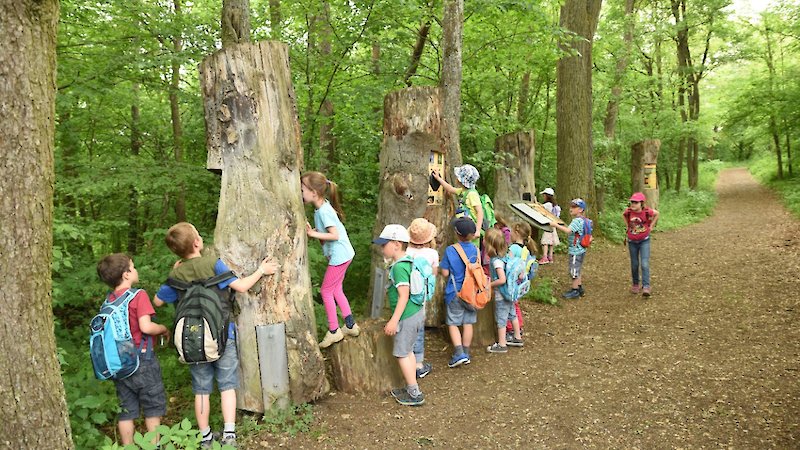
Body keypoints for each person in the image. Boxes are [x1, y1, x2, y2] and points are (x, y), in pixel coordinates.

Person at [153, 222, 278, 448]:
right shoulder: (213, 263)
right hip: (222, 335)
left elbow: (158, 301)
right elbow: (241, 286)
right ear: (197, 242)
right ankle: (229, 435)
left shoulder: (177, 273)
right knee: (227, 385)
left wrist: (174, 273)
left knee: (201, 389)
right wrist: (261, 270)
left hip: (192, 341)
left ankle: (205, 437)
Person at [97, 254, 170, 447]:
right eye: (133, 266)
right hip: (142, 360)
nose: (136, 270)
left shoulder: (108, 301)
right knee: (153, 408)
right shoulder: (138, 295)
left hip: (119, 363)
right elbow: (146, 327)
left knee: (126, 410)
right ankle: (154, 446)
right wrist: (162, 328)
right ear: (126, 274)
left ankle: (128, 446)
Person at [300, 171, 360, 348]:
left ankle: (334, 331)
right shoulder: (321, 208)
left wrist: (312, 234)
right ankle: (350, 325)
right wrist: (314, 232)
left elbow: (334, 235)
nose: (300, 193)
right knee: (336, 289)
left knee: (326, 291)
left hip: (340, 255)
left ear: (314, 192)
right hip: (343, 254)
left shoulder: (324, 211)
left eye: (302, 189)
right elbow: (327, 233)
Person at [374, 224, 426, 406]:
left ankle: (414, 393)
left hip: (407, 316)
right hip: (416, 312)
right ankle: (411, 386)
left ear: (396, 244)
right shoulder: (408, 262)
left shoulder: (398, 268)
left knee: (402, 354)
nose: (382, 248)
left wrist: (393, 321)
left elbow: (404, 295)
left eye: (384, 244)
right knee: (408, 351)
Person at [439, 217, 480, 367]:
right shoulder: (476, 250)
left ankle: (459, 353)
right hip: (472, 293)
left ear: (457, 233)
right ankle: (466, 352)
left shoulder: (451, 250)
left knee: (453, 323)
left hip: (455, 291)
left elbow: (445, 273)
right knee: (468, 322)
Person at [406, 218, 439, 379]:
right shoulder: (432, 254)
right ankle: (418, 364)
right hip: (421, 296)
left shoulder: (405, 252)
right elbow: (433, 274)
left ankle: (406, 359)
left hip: (405, 294)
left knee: (406, 327)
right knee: (418, 327)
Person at [484, 229, 523, 353]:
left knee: (501, 318)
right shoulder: (505, 256)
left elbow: (502, 279)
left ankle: (502, 344)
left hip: (502, 294)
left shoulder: (496, 261)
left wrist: (489, 285)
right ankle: (517, 337)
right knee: (512, 314)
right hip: (510, 292)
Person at [431, 164, 483, 247]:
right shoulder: (463, 191)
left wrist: (478, 230)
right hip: (463, 228)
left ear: (460, 180)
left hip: (471, 230)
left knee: (471, 249)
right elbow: (450, 189)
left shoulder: (472, 194)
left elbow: (480, 212)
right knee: (461, 247)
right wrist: (438, 178)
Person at [550, 199, 589, 299]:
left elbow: (568, 231)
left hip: (575, 250)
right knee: (578, 269)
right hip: (581, 249)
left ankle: (575, 290)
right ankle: (579, 288)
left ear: (580, 209)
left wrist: (555, 225)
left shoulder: (577, 221)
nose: (571, 209)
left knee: (574, 270)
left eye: (574, 207)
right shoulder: (583, 220)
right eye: (571, 206)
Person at [623, 192, 660, 296]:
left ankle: (646, 286)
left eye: (636, 202)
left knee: (644, 263)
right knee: (634, 264)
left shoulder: (647, 211)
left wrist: (651, 226)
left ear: (641, 203)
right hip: (632, 242)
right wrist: (627, 226)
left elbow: (657, 213)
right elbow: (623, 215)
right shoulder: (628, 211)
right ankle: (635, 284)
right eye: (632, 202)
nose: (633, 204)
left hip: (644, 241)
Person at [507, 221, 538, 339]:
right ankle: (519, 326)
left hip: (512, 282)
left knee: (510, 306)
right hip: (520, 282)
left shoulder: (513, 248)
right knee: (515, 305)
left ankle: (511, 329)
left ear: (516, 232)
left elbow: (508, 263)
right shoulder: (526, 249)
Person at [538, 188, 561, 264]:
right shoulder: (556, 206)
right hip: (554, 224)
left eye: (544, 195)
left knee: (545, 241)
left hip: (548, 224)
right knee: (551, 241)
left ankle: (545, 257)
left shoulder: (548, 204)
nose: (543, 197)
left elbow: (539, 207)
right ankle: (550, 256)